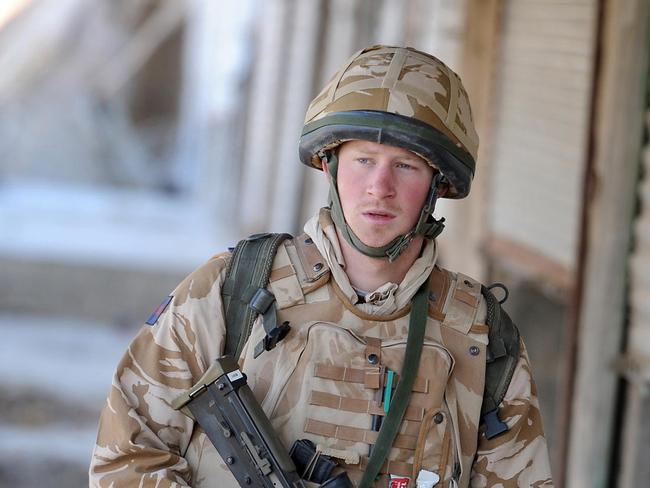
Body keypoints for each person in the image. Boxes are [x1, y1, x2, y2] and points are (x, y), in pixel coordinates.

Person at [89, 45, 553, 487]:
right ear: (329, 166)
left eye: (406, 166)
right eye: (363, 160)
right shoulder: (234, 289)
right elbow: (127, 453)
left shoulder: (481, 335)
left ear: (438, 185)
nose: (379, 187)